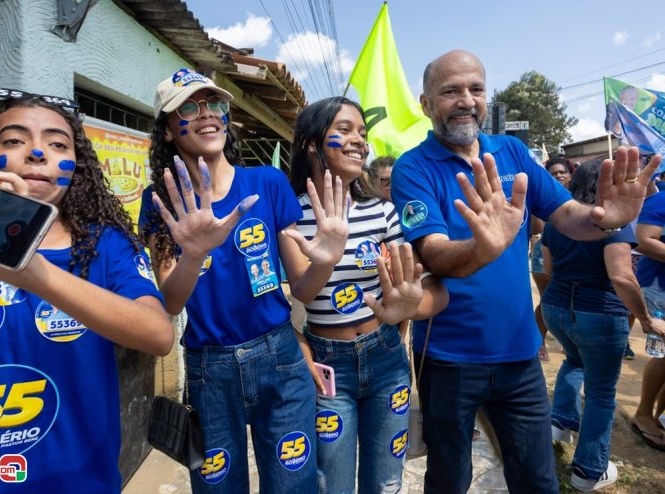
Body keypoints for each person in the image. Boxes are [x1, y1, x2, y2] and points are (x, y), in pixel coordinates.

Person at [390, 49, 661, 494]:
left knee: (537, 480)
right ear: (425, 104)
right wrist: (484, 246)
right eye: (450, 91)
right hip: (448, 359)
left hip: (519, 357)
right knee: (448, 479)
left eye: (476, 89)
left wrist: (606, 218)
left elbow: (568, 214)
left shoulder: (512, 151)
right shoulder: (413, 168)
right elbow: (435, 255)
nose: (466, 99)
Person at [0, 92, 174, 493]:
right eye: (14, 140)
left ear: (76, 167)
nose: (38, 152)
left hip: (78, 482)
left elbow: (158, 334)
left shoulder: (106, 245)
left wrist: (34, 273)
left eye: (58, 144)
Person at [141, 68, 349, 492]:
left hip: (281, 359)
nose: (207, 114)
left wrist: (326, 260)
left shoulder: (267, 184)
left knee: (294, 487)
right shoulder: (160, 201)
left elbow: (304, 289)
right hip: (209, 369)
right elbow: (171, 302)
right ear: (167, 131)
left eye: (215, 104)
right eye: (189, 107)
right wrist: (194, 254)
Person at [289, 96, 448, 493]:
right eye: (344, 130)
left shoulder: (383, 211)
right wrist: (326, 257)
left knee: (385, 485)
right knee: (333, 485)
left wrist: (405, 311)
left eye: (362, 132)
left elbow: (411, 285)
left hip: (386, 361)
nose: (359, 141)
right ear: (312, 143)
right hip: (328, 368)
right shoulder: (289, 213)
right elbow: (300, 290)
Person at [540, 159, 665, 491]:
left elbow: (551, 270)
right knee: (601, 393)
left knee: (574, 360)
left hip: (557, 307)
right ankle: (589, 470)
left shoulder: (557, 221)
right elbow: (622, 278)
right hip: (597, 313)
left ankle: (560, 423)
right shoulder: (614, 222)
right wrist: (647, 320)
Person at [632, 183, 665, 451]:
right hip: (657, 288)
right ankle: (643, 413)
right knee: (664, 354)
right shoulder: (660, 201)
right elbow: (643, 241)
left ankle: (660, 418)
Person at [531, 157, 574, 361]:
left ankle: (569, 342)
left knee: (570, 299)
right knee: (547, 299)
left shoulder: (579, 196)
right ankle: (538, 340)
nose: (558, 175)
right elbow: (537, 226)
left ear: (571, 175)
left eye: (562, 172)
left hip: (572, 253)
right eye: (553, 173)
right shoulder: (544, 196)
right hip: (545, 251)